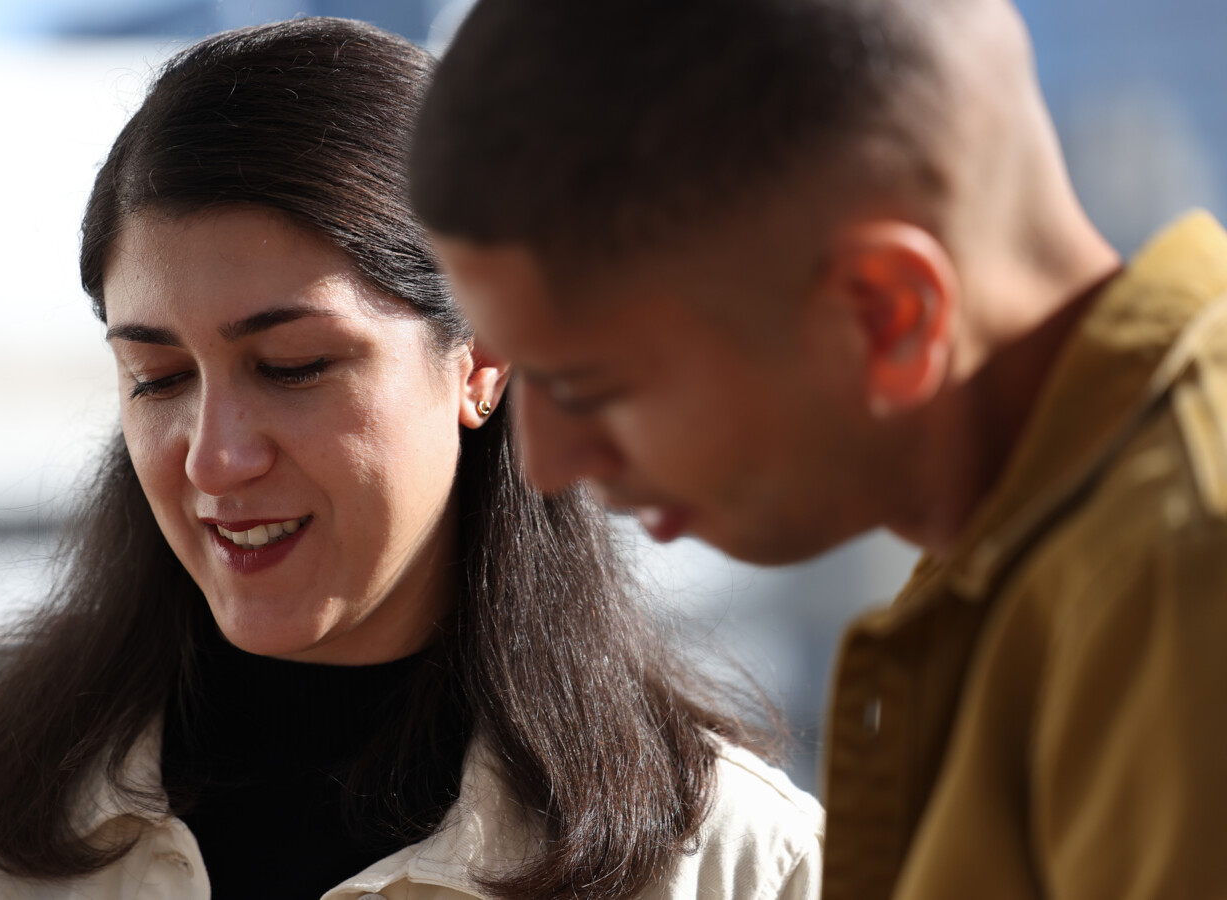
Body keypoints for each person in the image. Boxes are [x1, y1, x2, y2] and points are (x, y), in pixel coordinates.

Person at [0, 18, 823, 900]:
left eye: (292, 365)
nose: (215, 457)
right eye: (157, 377)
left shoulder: (732, 861)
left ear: (482, 363)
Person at [410, 1, 1227, 899]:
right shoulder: (1039, 545)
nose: (544, 462)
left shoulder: (1181, 577)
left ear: (887, 316)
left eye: (593, 388)